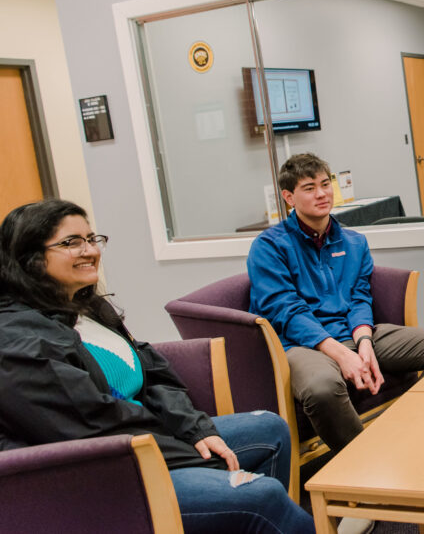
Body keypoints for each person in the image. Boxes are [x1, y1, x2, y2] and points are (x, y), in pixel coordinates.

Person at [0, 200, 314, 534]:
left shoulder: (88, 308)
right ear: (29, 260)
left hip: (148, 438)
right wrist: (190, 450)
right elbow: (90, 426)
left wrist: (195, 429)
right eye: (71, 242)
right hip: (101, 473)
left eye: (92, 239)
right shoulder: (17, 341)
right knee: (261, 494)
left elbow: (155, 376)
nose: (89, 250)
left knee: (270, 428)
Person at [248, 153, 424, 457]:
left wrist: (363, 342)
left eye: (325, 184)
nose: (322, 194)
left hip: (351, 331)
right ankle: (364, 468)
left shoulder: (354, 242)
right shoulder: (268, 246)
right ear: (289, 197)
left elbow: (360, 297)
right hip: (300, 345)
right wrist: (339, 354)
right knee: (322, 389)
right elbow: (286, 310)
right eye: (309, 188)